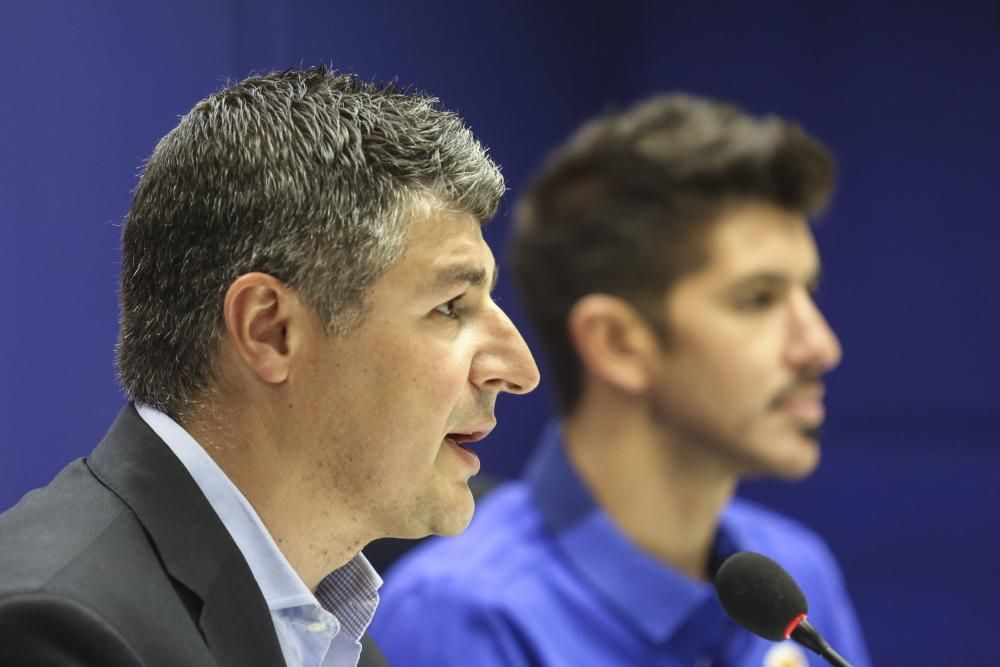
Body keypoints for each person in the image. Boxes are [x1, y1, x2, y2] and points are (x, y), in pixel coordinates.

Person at [0, 66, 539, 667]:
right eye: (449, 307)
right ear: (270, 331)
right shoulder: (50, 629)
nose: (518, 369)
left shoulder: (335, 641)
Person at [371, 94, 871, 666]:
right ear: (616, 343)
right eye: (759, 300)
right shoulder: (462, 619)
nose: (820, 347)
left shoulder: (795, 577)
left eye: (808, 293)